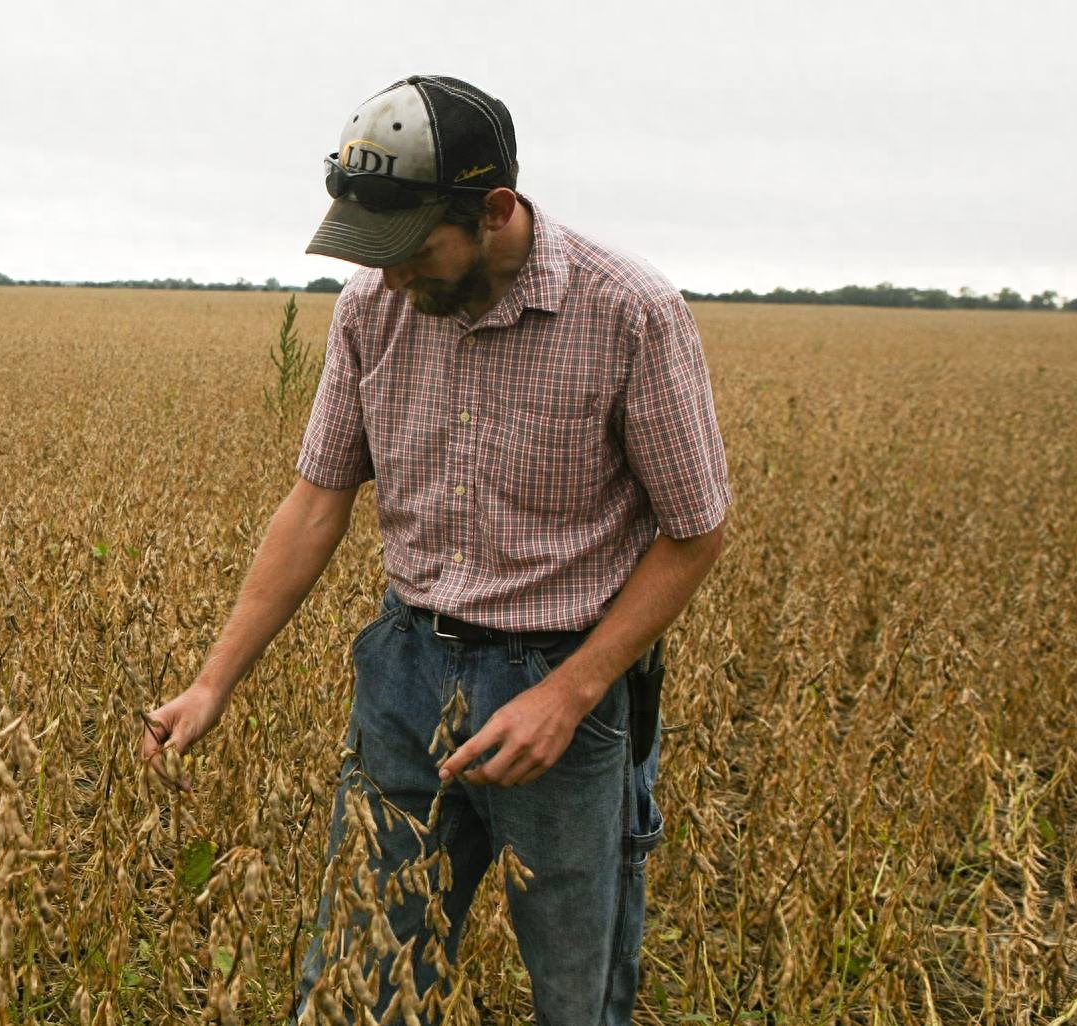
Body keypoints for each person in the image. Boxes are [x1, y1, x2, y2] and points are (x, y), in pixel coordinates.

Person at [142, 76, 728, 1025]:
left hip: (566, 698)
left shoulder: (630, 312)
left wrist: (570, 694)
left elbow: (695, 532)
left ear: (494, 210)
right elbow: (315, 502)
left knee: (577, 1000)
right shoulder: (372, 305)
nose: (392, 276)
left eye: (411, 249)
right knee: (354, 988)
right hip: (404, 672)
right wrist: (214, 682)